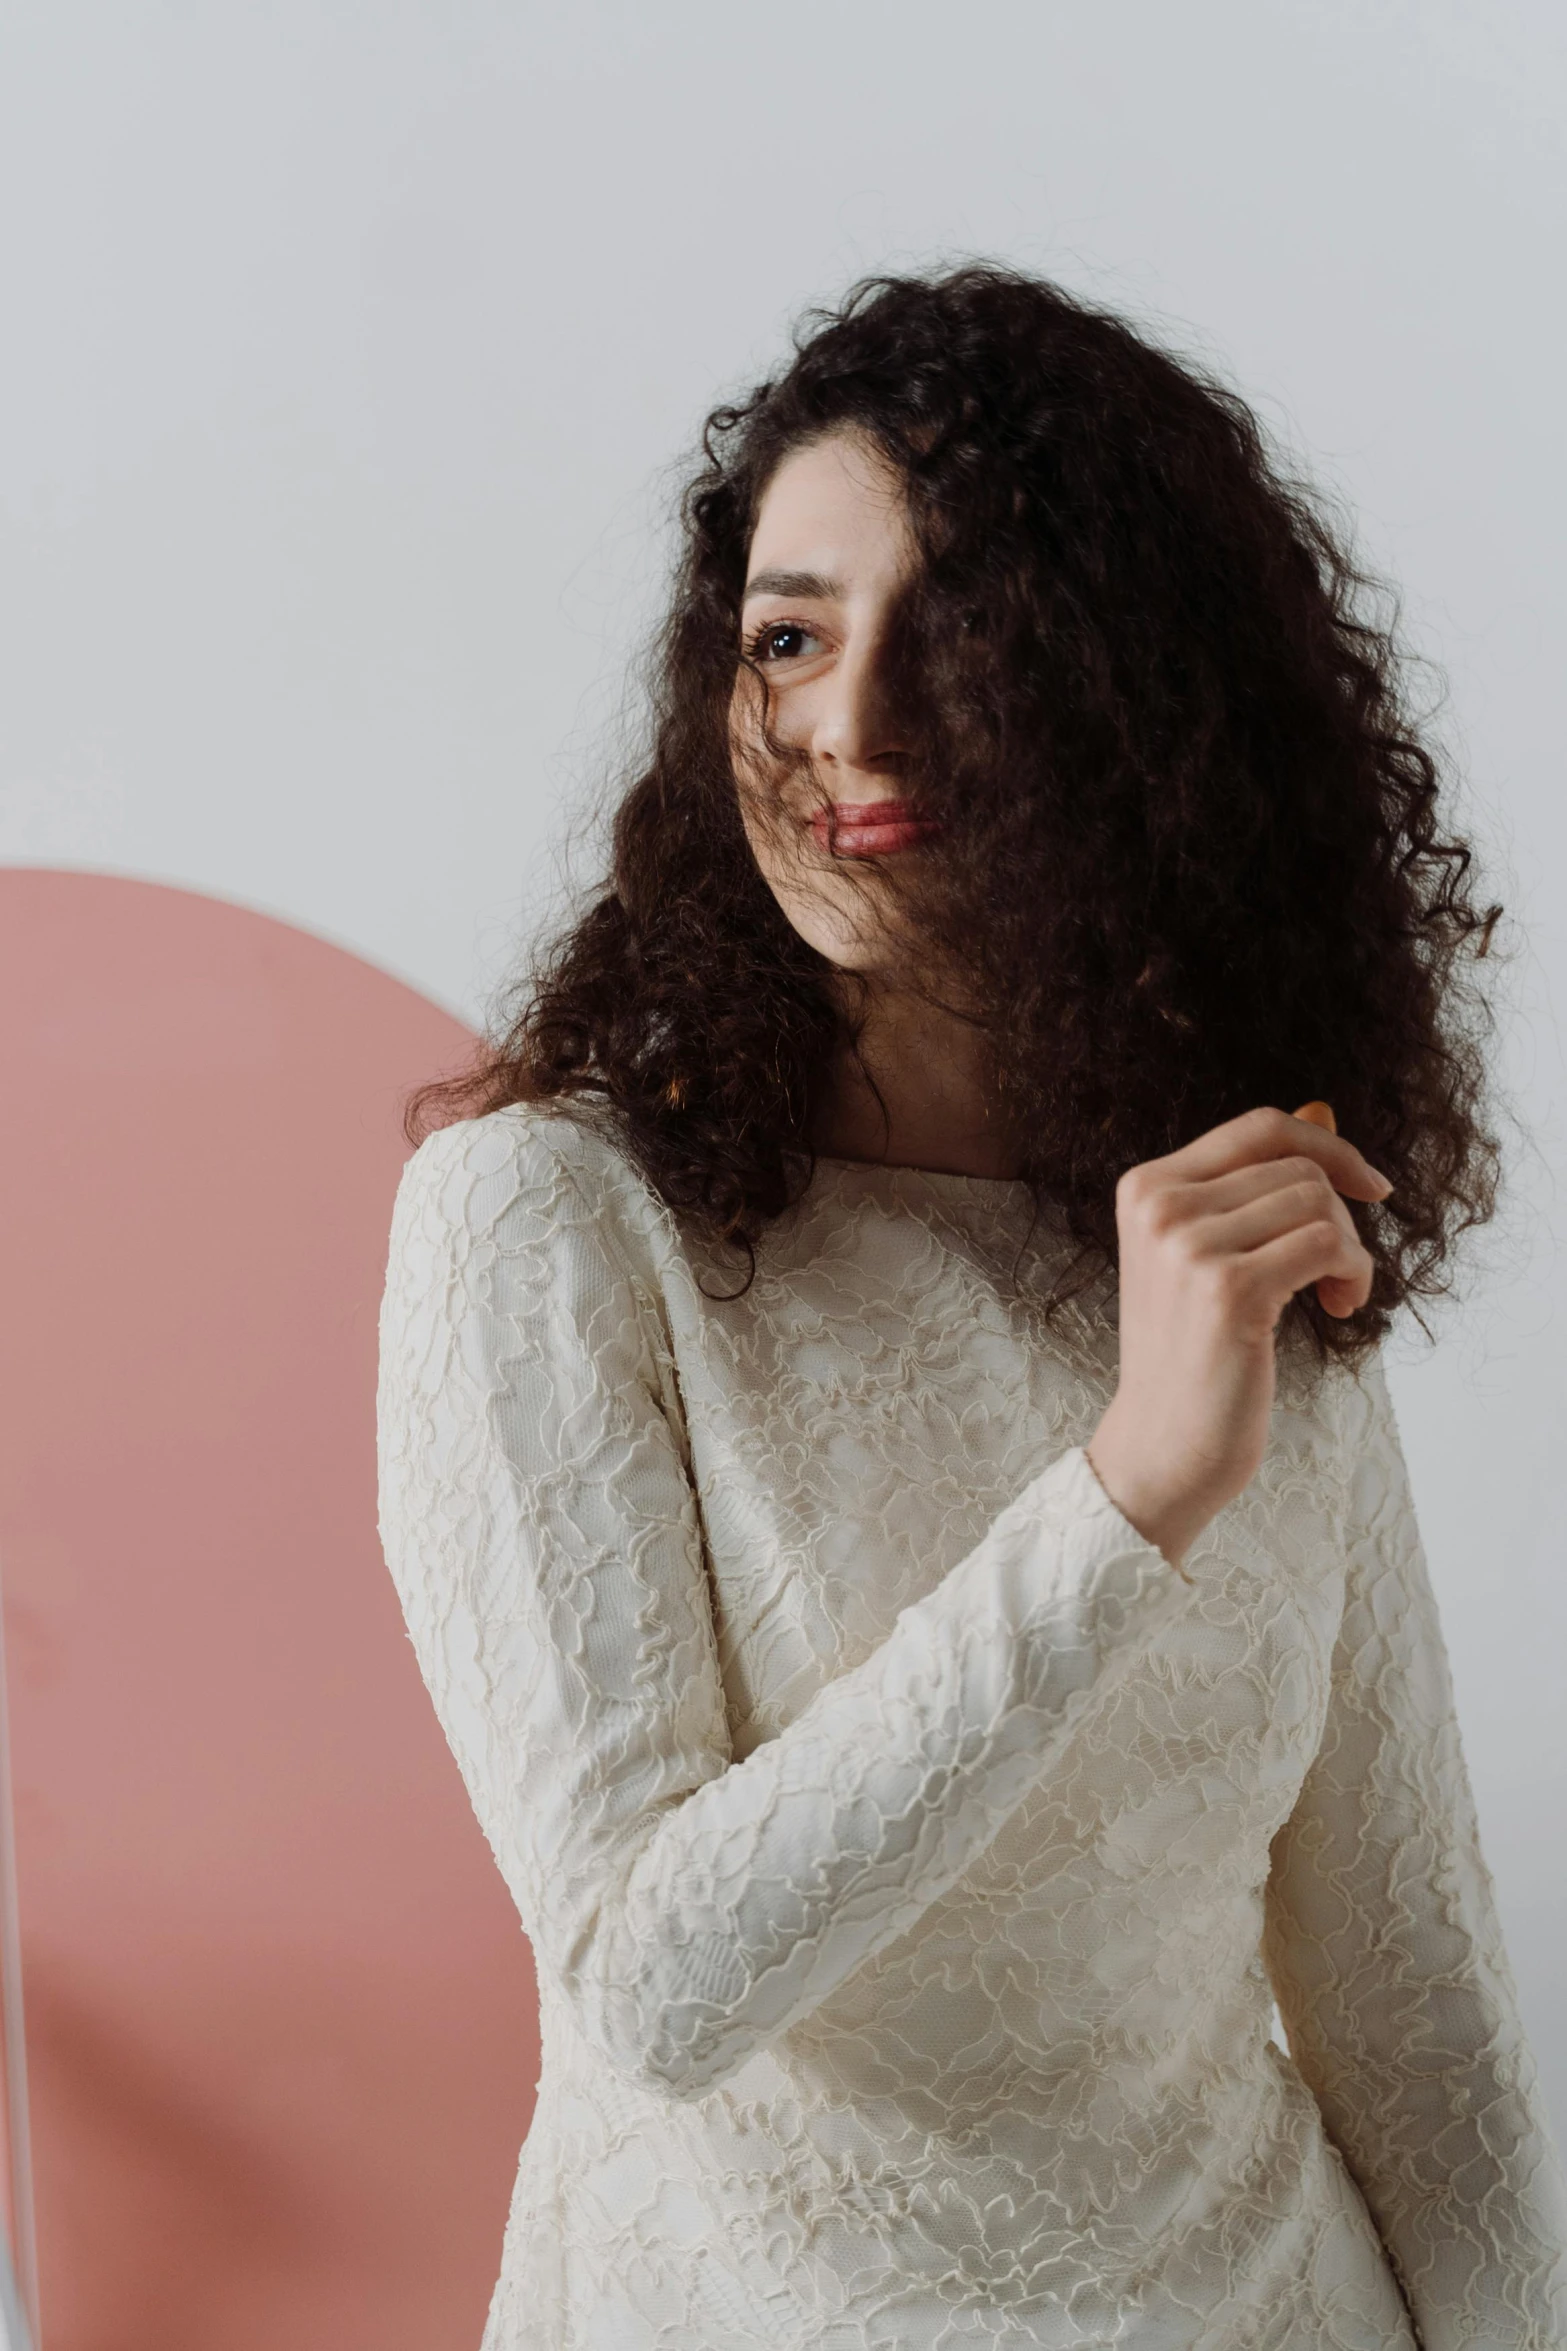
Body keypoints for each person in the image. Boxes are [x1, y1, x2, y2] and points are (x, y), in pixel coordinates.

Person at [375, 264, 1567, 2349]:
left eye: (963, 630)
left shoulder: (1224, 1239)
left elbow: (1426, 2033)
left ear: (1135, 706)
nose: (849, 720)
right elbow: (654, 1980)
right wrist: (1124, 1497)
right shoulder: (550, 1226)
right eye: (790, 633)